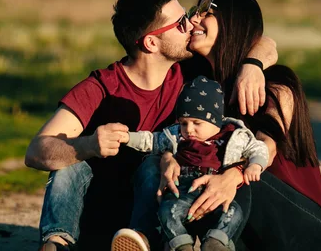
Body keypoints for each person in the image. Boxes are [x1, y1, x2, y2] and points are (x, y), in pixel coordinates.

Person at [24, 0, 278, 251]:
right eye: (181, 23)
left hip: (155, 217)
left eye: (190, 14)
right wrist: (87, 145)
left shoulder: (192, 79)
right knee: (69, 162)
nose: (192, 23)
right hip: (99, 217)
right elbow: (36, 151)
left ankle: (145, 238)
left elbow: (265, 42)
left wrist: (253, 65)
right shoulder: (102, 86)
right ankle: (57, 244)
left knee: (153, 163)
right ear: (151, 42)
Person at [116, 0, 321, 250]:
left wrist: (233, 176)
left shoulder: (279, 85)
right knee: (192, 179)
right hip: (241, 221)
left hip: (296, 222)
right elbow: (176, 139)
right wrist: (167, 159)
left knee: (232, 180)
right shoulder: (199, 88)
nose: (194, 19)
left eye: (205, 10)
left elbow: (266, 150)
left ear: (232, 21)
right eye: (193, 10)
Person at [115, 75, 268, 251]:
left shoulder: (234, 136)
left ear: (216, 120)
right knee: (167, 212)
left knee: (234, 213)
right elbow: (152, 140)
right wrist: (127, 137)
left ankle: (216, 243)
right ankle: (181, 245)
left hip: (216, 193)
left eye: (197, 123)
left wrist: (256, 164)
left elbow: (258, 148)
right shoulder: (176, 136)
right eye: (183, 123)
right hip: (183, 192)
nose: (189, 130)